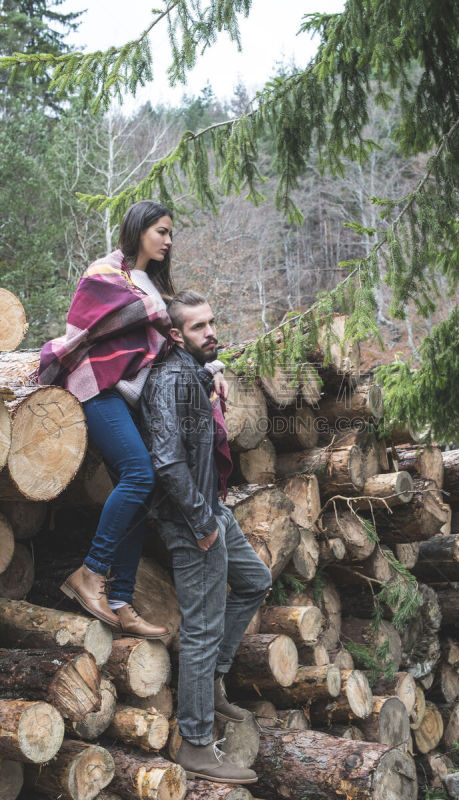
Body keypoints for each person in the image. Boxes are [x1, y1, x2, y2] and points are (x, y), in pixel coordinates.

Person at [38, 201, 226, 638]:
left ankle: (121, 599)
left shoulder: (152, 287)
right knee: (140, 474)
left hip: (124, 395)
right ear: (139, 228)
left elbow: (174, 346)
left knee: (143, 487)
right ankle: (91, 571)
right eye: (161, 231)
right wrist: (150, 310)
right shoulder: (105, 272)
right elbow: (83, 329)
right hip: (94, 387)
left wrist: (214, 370)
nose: (168, 240)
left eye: (171, 233)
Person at [139, 290, 272, 784]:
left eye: (211, 322)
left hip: (211, 508)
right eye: (198, 327)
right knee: (200, 630)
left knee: (256, 581)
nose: (210, 331)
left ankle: (213, 679)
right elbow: (168, 461)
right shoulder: (170, 380)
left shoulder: (189, 371)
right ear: (175, 335)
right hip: (191, 519)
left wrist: (209, 379)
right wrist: (201, 525)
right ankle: (196, 744)